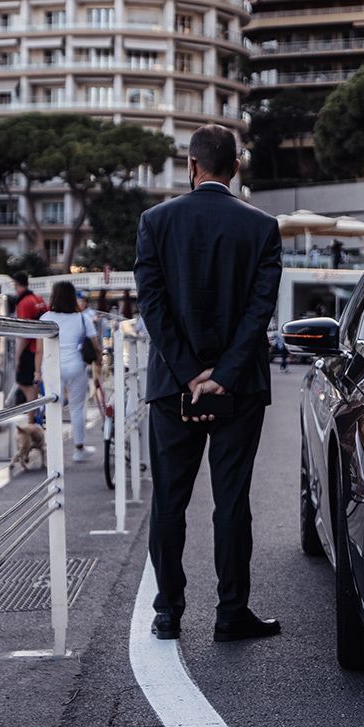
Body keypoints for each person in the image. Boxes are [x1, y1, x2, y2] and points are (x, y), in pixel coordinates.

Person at [135, 124, 283, 643]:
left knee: (169, 502)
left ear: (191, 167)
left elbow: (151, 305)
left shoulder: (155, 222)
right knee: (232, 501)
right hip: (239, 389)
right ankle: (230, 612)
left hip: (170, 387)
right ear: (235, 168)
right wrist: (221, 375)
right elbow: (259, 310)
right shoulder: (262, 227)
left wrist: (187, 372)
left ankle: (168, 612)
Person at [39, 281, 95, 462]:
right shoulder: (82, 318)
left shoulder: (46, 318)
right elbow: (95, 344)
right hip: (76, 366)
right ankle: (79, 449)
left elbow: (39, 349)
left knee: (53, 406)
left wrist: (37, 372)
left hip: (52, 366)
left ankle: (53, 451)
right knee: (77, 407)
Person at [11, 272, 46, 399]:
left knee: (25, 384)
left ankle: (31, 417)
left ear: (15, 284)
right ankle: (35, 413)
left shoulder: (24, 303)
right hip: (42, 346)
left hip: (31, 349)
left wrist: (17, 355)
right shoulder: (39, 299)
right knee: (34, 382)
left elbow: (25, 333)